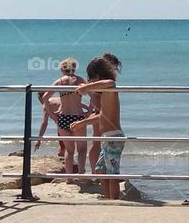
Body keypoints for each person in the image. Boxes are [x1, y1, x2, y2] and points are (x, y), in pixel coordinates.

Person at [68, 54, 124, 199]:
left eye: (91, 78)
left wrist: (87, 88)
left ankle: (115, 201)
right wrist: (82, 123)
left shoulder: (110, 89)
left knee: (112, 174)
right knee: (100, 171)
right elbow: (102, 116)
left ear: (98, 76)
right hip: (106, 137)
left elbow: (110, 82)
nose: (89, 81)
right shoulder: (104, 93)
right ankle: (107, 198)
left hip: (113, 136)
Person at [38, 59, 90, 182]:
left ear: (62, 70)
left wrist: (52, 114)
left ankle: (69, 177)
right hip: (78, 117)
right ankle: (81, 173)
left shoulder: (60, 82)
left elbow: (45, 97)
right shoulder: (80, 81)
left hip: (63, 118)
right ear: (75, 68)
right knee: (82, 149)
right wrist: (88, 112)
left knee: (69, 150)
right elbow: (93, 95)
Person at [34, 94, 66, 158]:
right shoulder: (57, 99)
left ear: (40, 98)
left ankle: (68, 165)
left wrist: (39, 140)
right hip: (74, 116)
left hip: (64, 120)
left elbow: (44, 123)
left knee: (63, 150)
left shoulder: (46, 104)